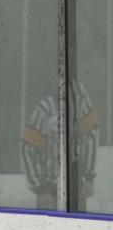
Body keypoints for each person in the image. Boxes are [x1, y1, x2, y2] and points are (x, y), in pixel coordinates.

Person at [20, 80, 98, 210]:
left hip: (76, 184)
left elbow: (91, 138)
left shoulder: (83, 103)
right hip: (48, 186)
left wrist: (89, 178)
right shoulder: (43, 110)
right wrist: (40, 189)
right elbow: (27, 147)